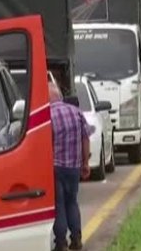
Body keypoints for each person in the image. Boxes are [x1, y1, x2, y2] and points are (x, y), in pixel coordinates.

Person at [48, 82, 91, 251]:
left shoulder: (48, 115)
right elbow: (85, 138)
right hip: (73, 168)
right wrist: (85, 163)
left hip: (56, 167)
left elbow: (47, 143)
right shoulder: (76, 112)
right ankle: (76, 238)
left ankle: (61, 242)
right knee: (72, 202)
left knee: (59, 204)